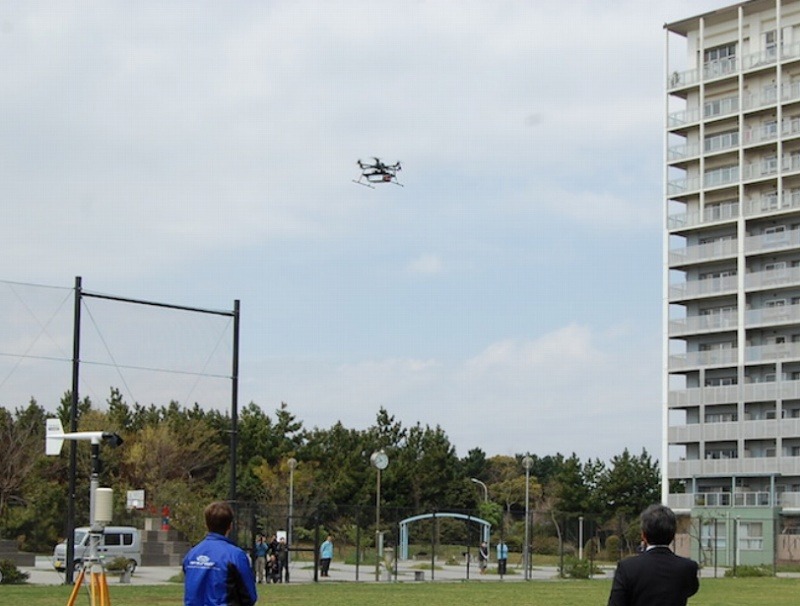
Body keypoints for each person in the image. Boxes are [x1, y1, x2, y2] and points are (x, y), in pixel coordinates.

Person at [607, 504, 699, 606]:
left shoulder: (627, 567)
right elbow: (690, 590)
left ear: (643, 535)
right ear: (673, 535)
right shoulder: (688, 567)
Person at [183, 501, 258, 606]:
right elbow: (250, 596)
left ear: (206, 524)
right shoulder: (235, 555)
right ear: (230, 526)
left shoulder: (192, 554)